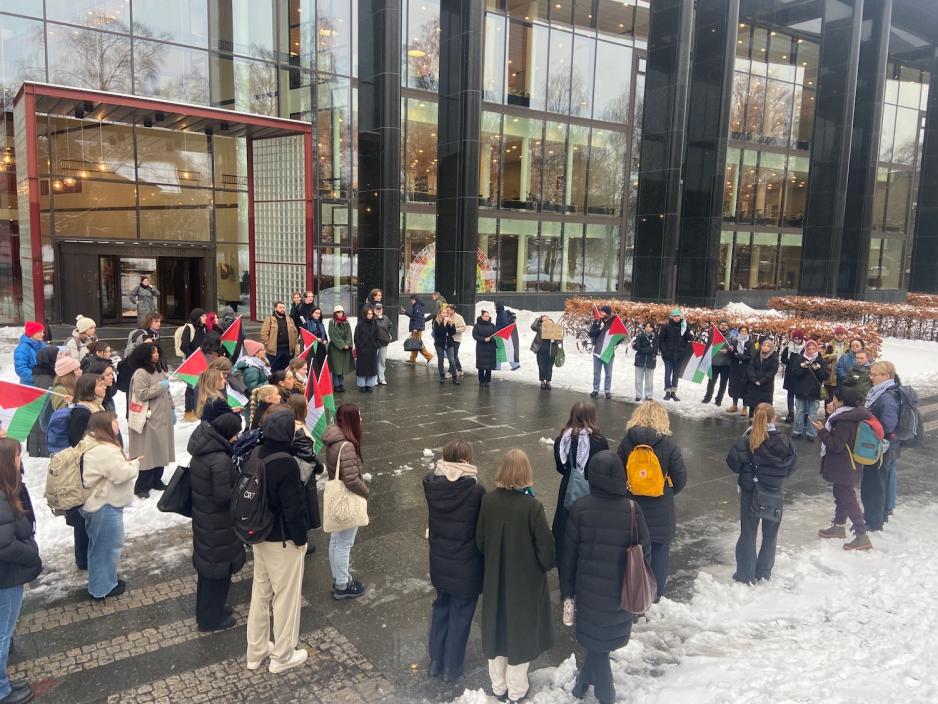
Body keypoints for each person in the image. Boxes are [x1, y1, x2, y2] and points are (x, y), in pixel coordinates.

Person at [560, 450, 651, 704]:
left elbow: (569, 555)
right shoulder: (633, 510)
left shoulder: (580, 509)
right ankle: (581, 684)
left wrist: (567, 592)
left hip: (588, 592)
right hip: (622, 592)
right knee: (600, 643)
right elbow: (646, 552)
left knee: (597, 644)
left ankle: (605, 694)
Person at [476, 449, 554, 704]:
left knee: (496, 630)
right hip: (525, 583)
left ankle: (498, 686)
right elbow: (547, 552)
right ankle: (517, 690)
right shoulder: (533, 507)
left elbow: (481, 541)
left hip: (495, 579)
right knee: (521, 634)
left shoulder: (488, 501)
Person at [245, 409, 309, 675]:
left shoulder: (256, 452)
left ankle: (256, 651)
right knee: (286, 597)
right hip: (282, 540)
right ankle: (283, 655)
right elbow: (293, 508)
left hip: (258, 536)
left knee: (260, 594)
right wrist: (301, 540)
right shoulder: (285, 462)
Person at [423, 440, 485, 683]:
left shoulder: (432, 486)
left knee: (441, 608)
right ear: (467, 462)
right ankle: (451, 666)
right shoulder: (476, 491)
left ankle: (435, 661)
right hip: (465, 565)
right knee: (461, 613)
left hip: (439, 561)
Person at [615, 401, 687, 601]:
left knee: (633, 551)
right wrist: (666, 492)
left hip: (632, 508)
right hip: (660, 509)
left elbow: (618, 473)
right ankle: (654, 595)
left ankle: (633, 590)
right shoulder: (669, 445)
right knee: (659, 552)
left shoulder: (627, 442)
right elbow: (680, 479)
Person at [726, 403, 798, 583]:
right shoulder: (784, 441)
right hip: (774, 491)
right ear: (774, 418)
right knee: (770, 533)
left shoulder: (747, 439)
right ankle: (764, 572)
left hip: (751, 491)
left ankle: (745, 573)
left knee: (748, 532)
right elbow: (792, 466)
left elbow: (733, 463)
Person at [553, 401, 609, 625]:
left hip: (567, 491)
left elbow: (560, 466)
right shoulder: (599, 441)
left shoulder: (562, 438)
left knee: (564, 538)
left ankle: (566, 591)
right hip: (591, 493)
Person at [188, 412, 245, 632]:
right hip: (218, 524)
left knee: (208, 570)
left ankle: (209, 609)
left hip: (206, 519)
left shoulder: (204, 450)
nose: (236, 438)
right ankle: (210, 620)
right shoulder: (219, 460)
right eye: (235, 434)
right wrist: (241, 487)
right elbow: (223, 497)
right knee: (218, 572)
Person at [80, 412, 140, 601]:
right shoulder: (104, 449)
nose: (117, 424)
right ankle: (102, 588)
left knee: (98, 546)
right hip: (105, 504)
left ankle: (103, 581)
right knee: (107, 548)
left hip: (95, 503)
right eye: (114, 421)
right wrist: (135, 464)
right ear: (105, 425)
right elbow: (121, 474)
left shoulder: (90, 442)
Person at [0, 436, 42, 704]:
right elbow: (4, 545)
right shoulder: (1, 498)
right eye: (17, 456)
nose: (21, 460)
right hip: (7, 576)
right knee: (3, 633)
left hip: (7, 573)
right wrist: (31, 555)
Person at [815, 386, 874, 551]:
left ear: (841, 401)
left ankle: (862, 536)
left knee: (847, 498)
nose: (832, 401)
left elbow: (836, 445)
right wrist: (831, 415)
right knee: (840, 494)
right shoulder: (849, 414)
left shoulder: (845, 420)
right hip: (847, 464)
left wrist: (821, 432)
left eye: (835, 398)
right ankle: (839, 526)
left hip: (844, 464)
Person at [323, 404, 369, 599]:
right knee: (344, 543)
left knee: (336, 540)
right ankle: (342, 585)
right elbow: (351, 479)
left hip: (337, 497)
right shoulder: (347, 445)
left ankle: (339, 578)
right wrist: (365, 491)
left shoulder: (334, 438)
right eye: (358, 416)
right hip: (346, 499)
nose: (361, 420)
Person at [127, 341, 175, 499]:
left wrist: (172, 408)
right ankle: (142, 486)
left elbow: (166, 391)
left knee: (161, 449)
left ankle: (156, 479)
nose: (156, 355)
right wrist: (161, 386)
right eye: (153, 353)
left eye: (157, 352)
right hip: (148, 418)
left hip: (162, 416)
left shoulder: (158, 370)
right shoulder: (141, 373)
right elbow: (141, 393)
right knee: (148, 452)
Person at [862, 361, 900, 531]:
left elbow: (888, 424)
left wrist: (869, 422)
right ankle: (880, 516)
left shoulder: (886, 396)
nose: (871, 378)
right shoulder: (884, 392)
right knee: (881, 481)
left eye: (874, 374)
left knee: (874, 484)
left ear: (886, 376)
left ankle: (874, 522)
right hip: (886, 445)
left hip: (882, 446)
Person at [285, 395, 323, 553]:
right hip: (302, 473)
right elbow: (308, 454)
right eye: (306, 406)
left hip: (298, 470)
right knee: (304, 505)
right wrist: (320, 467)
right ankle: (301, 540)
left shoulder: (292, 424)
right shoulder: (298, 430)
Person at [788, 339, 828, 441]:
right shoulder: (800, 359)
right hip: (801, 391)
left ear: (816, 349)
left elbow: (824, 376)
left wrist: (818, 369)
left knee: (812, 413)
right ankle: (798, 431)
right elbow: (794, 374)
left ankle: (811, 433)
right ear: (805, 349)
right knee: (800, 412)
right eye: (809, 348)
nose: (810, 351)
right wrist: (802, 367)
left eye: (813, 349)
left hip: (814, 392)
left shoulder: (820, 360)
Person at [28, 345, 58, 459]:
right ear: (50, 359)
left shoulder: (46, 373)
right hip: (43, 428)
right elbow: (45, 407)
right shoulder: (45, 377)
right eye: (57, 356)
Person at [658, 308, 693, 401]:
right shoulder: (666, 327)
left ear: (681, 316)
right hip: (668, 355)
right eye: (675, 316)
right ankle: (667, 392)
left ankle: (673, 392)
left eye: (678, 316)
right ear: (672, 317)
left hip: (679, 355)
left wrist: (687, 330)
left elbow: (689, 338)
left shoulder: (684, 326)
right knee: (668, 373)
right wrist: (664, 352)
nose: (676, 318)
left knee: (676, 374)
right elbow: (661, 340)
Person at [180, 309, 208, 422]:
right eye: (203, 316)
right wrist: (193, 356)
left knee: (200, 386)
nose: (205, 317)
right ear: (197, 317)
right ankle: (188, 411)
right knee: (190, 386)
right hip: (191, 362)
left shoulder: (203, 328)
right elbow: (184, 346)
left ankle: (198, 409)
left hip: (201, 361)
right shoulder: (189, 328)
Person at [589, 306, 619, 400]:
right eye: (601, 311)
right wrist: (600, 329)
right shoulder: (597, 322)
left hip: (608, 352)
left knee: (608, 374)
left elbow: (618, 338)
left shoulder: (613, 323)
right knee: (597, 373)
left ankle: (607, 391)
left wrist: (615, 341)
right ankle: (595, 389)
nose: (601, 313)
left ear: (607, 313)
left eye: (603, 312)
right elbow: (591, 333)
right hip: (598, 351)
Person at [260, 301, 299, 374]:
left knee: (286, 370)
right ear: (275, 308)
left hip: (288, 350)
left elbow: (295, 332)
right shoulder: (270, 319)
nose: (282, 309)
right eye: (280, 307)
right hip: (275, 351)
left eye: (283, 307)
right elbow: (263, 334)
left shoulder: (289, 319)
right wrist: (268, 345)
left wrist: (295, 344)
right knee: (273, 370)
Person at [746, 338, 778, 418]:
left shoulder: (774, 358)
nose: (765, 347)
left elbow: (772, 372)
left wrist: (762, 381)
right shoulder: (756, 355)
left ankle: (763, 425)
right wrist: (753, 379)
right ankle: (751, 425)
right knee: (753, 407)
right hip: (753, 385)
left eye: (768, 346)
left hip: (766, 386)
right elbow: (750, 367)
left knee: (764, 408)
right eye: (764, 345)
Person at [702, 320, 731, 406]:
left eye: (725, 325)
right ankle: (707, 398)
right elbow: (707, 346)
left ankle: (719, 400)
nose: (723, 326)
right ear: (719, 326)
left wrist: (728, 351)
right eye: (722, 324)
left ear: (728, 326)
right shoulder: (713, 335)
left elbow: (734, 349)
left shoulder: (732, 337)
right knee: (711, 382)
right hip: (714, 363)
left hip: (726, 364)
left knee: (723, 383)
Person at [780, 328, 806, 423]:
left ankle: (800, 412)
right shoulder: (788, 347)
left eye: (799, 338)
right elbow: (783, 359)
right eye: (795, 338)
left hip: (801, 375)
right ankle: (790, 412)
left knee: (799, 395)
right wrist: (789, 361)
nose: (797, 340)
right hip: (790, 374)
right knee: (790, 394)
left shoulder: (805, 348)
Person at [727, 325, 753, 415]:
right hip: (735, 368)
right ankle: (734, 405)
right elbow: (731, 356)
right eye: (742, 331)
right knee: (735, 386)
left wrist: (740, 356)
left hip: (746, 368)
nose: (743, 332)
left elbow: (752, 356)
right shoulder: (734, 341)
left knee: (745, 387)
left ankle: (745, 407)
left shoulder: (751, 342)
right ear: (739, 332)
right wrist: (730, 351)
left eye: (745, 331)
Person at [353, 305, 380, 392]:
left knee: (371, 368)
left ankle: (369, 384)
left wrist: (376, 345)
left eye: (371, 314)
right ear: (364, 314)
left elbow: (378, 336)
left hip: (372, 350)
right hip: (362, 350)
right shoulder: (360, 324)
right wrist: (360, 345)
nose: (370, 315)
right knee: (362, 368)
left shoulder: (374, 323)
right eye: (368, 314)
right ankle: (362, 385)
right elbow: (356, 337)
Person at [328, 305, 354, 393]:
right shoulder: (332, 322)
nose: (340, 313)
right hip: (336, 348)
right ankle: (336, 385)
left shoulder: (346, 322)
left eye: (341, 312)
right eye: (338, 312)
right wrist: (342, 345)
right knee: (336, 368)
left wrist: (347, 344)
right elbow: (333, 335)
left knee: (342, 367)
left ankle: (341, 384)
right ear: (335, 313)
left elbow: (349, 334)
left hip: (344, 348)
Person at [432, 306, 460, 385]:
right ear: (440, 313)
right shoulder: (436, 321)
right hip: (440, 344)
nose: (445, 314)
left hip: (449, 343)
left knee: (452, 360)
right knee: (441, 360)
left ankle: (455, 378)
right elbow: (438, 333)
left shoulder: (449, 320)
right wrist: (443, 324)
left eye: (446, 313)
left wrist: (451, 325)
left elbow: (452, 332)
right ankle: (442, 376)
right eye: (443, 312)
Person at [402, 295, 433, 364]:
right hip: (417, 328)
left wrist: (416, 328)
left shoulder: (417, 307)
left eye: (412, 300)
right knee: (414, 344)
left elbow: (418, 319)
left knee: (417, 344)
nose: (411, 301)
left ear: (415, 300)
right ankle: (412, 359)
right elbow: (414, 317)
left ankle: (429, 356)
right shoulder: (416, 307)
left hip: (417, 329)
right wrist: (406, 312)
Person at [531, 315, 560, 391]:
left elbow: (560, 339)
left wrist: (555, 340)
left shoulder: (554, 329)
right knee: (541, 366)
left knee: (549, 367)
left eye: (548, 321)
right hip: (541, 350)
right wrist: (539, 319)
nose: (547, 322)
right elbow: (533, 326)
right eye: (545, 321)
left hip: (551, 351)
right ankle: (542, 381)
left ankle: (548, 381)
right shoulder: (540, 328)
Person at [632, 321, 658, 402]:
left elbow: (655, 348)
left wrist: (644, 349)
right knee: (638, 380)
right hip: (640, 360)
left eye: (650, 326)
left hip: (650, 361)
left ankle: (648, 395)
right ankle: (638, 395)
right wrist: (648, 350)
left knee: (649, 381)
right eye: (646, 326)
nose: (648, 328)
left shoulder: (656, 337)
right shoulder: (640, 335)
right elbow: (637, 347)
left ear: (653, 328)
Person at [14, 321, 45, 386]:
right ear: (32, 334)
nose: (43, 334)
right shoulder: (22, 349)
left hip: (43, 383)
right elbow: (21, 369)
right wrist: (37, 378)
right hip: (29, 385)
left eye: (43, 332)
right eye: (39, 332)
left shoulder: (42, 344)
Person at [472, 310, 497, 386]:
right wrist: (483, 339)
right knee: (481, 366)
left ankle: (487, 380)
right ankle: (481, 380)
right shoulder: (477, 326)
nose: (487, 317)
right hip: (481, 348)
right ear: (482, 316)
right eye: (485, 316)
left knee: (489, 366)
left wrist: (491, 339)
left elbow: (496, 335)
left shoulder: (492, 325)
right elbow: (475, 335)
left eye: (488, 316)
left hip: (490, 348)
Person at [373, 303, 393, 385]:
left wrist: (390, 335)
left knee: (381, 361)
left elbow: (390, 327)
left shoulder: (386, 318)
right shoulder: (372, 319)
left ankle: (381, 378)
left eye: (380, 309)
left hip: (384, 343)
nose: (378, 310)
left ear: (382, 309)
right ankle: (374, 379)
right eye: (377, 309)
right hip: (374, 343)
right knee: (374, 361)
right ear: (374, 310)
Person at [449, 306, 467, 379]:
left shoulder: (459, 317)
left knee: (453, 355)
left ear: (453, 310)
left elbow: (464, 327)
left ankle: (451, 371)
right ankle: (459, 369)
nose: (448, 311)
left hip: (456, 339)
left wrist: (455, 330)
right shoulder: (447, 317)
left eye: (449, 310)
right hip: (449, 339)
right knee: (453, 355)